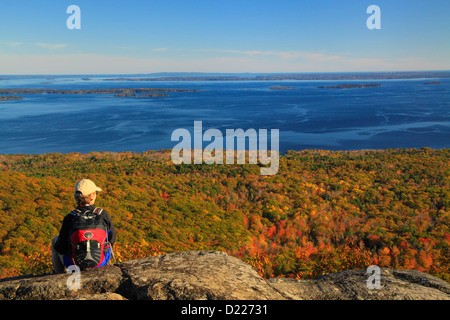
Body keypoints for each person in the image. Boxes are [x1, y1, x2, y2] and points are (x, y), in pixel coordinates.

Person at [51, 179, 116, 273]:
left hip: (74, 265)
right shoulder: (102, 214)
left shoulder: (70, 217)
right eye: (95, 193)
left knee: (55, 240)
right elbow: (112, 239)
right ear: (91, 196)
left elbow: (61, 247)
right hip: (100, 263)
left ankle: (59, 274)